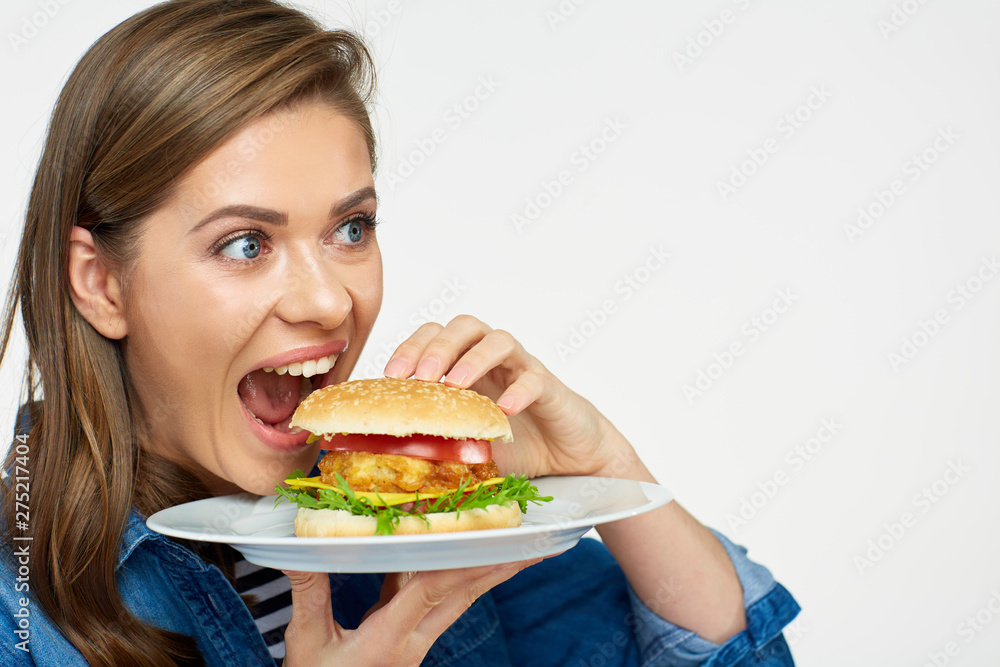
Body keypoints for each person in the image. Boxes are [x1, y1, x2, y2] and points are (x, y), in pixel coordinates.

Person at [0, 1, 799, 665]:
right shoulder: (18, 608)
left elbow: (730, 651)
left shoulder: (427, 531)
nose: (327, 300)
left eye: (351, 228)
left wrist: (606, 469)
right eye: (246, 243)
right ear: (101, 284)